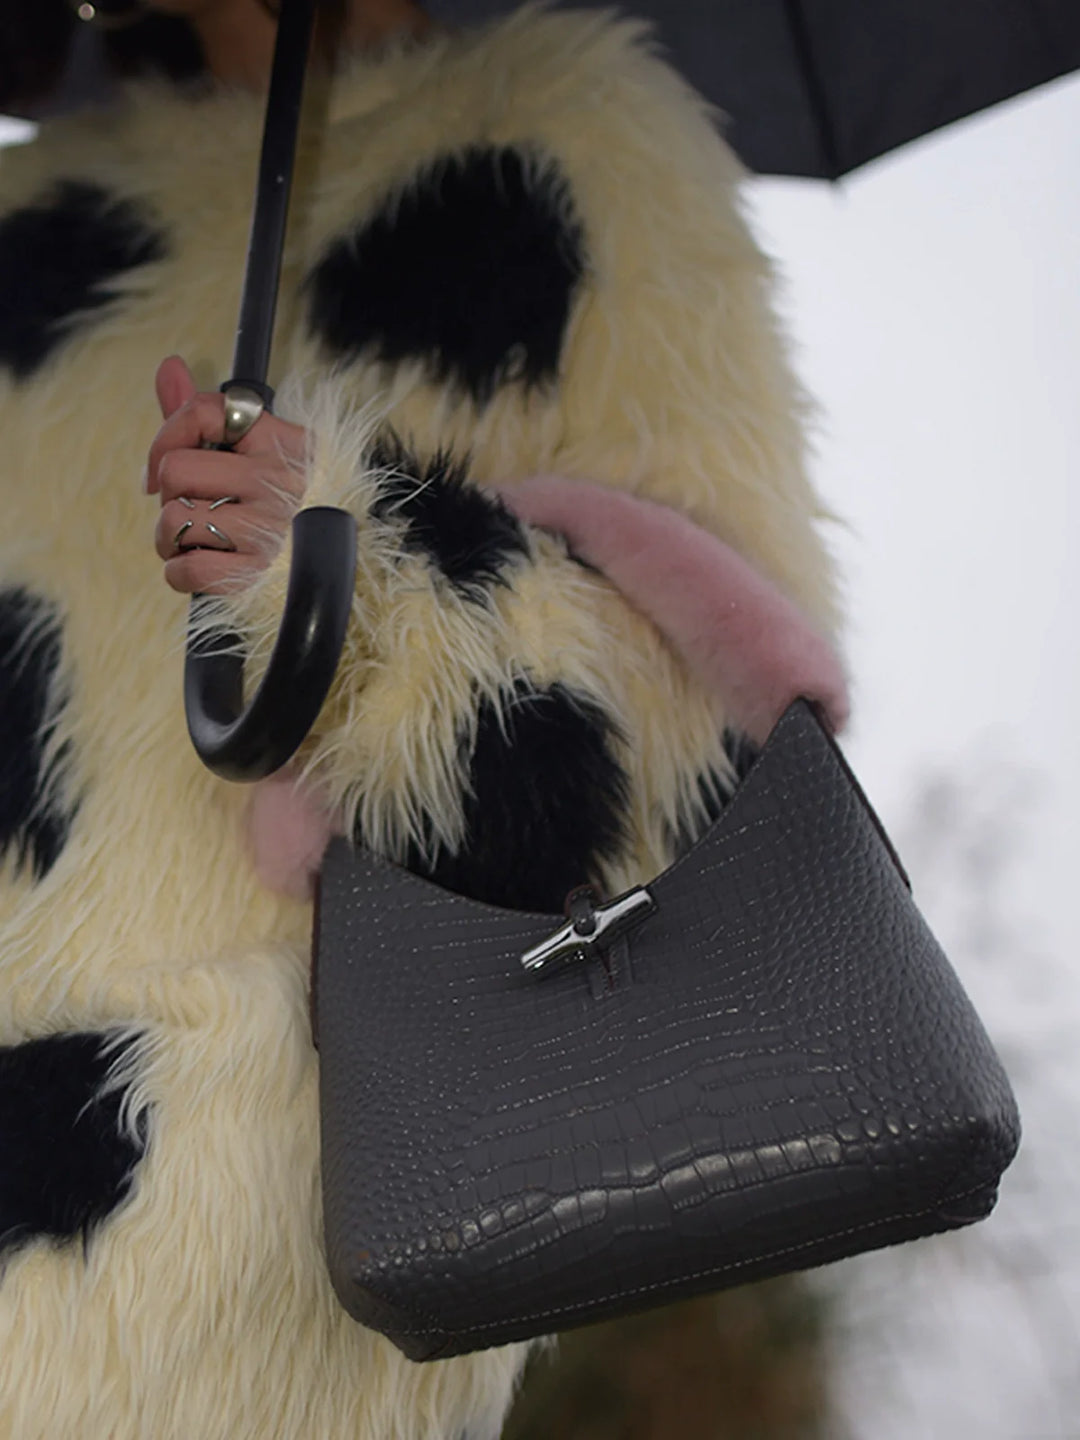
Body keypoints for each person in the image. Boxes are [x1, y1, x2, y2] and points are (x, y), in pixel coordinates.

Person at [0, 2, 842, 1436]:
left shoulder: (577, 146)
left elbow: (708, 765)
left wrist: (330, 569)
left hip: (240, 1209)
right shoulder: (30, 225)